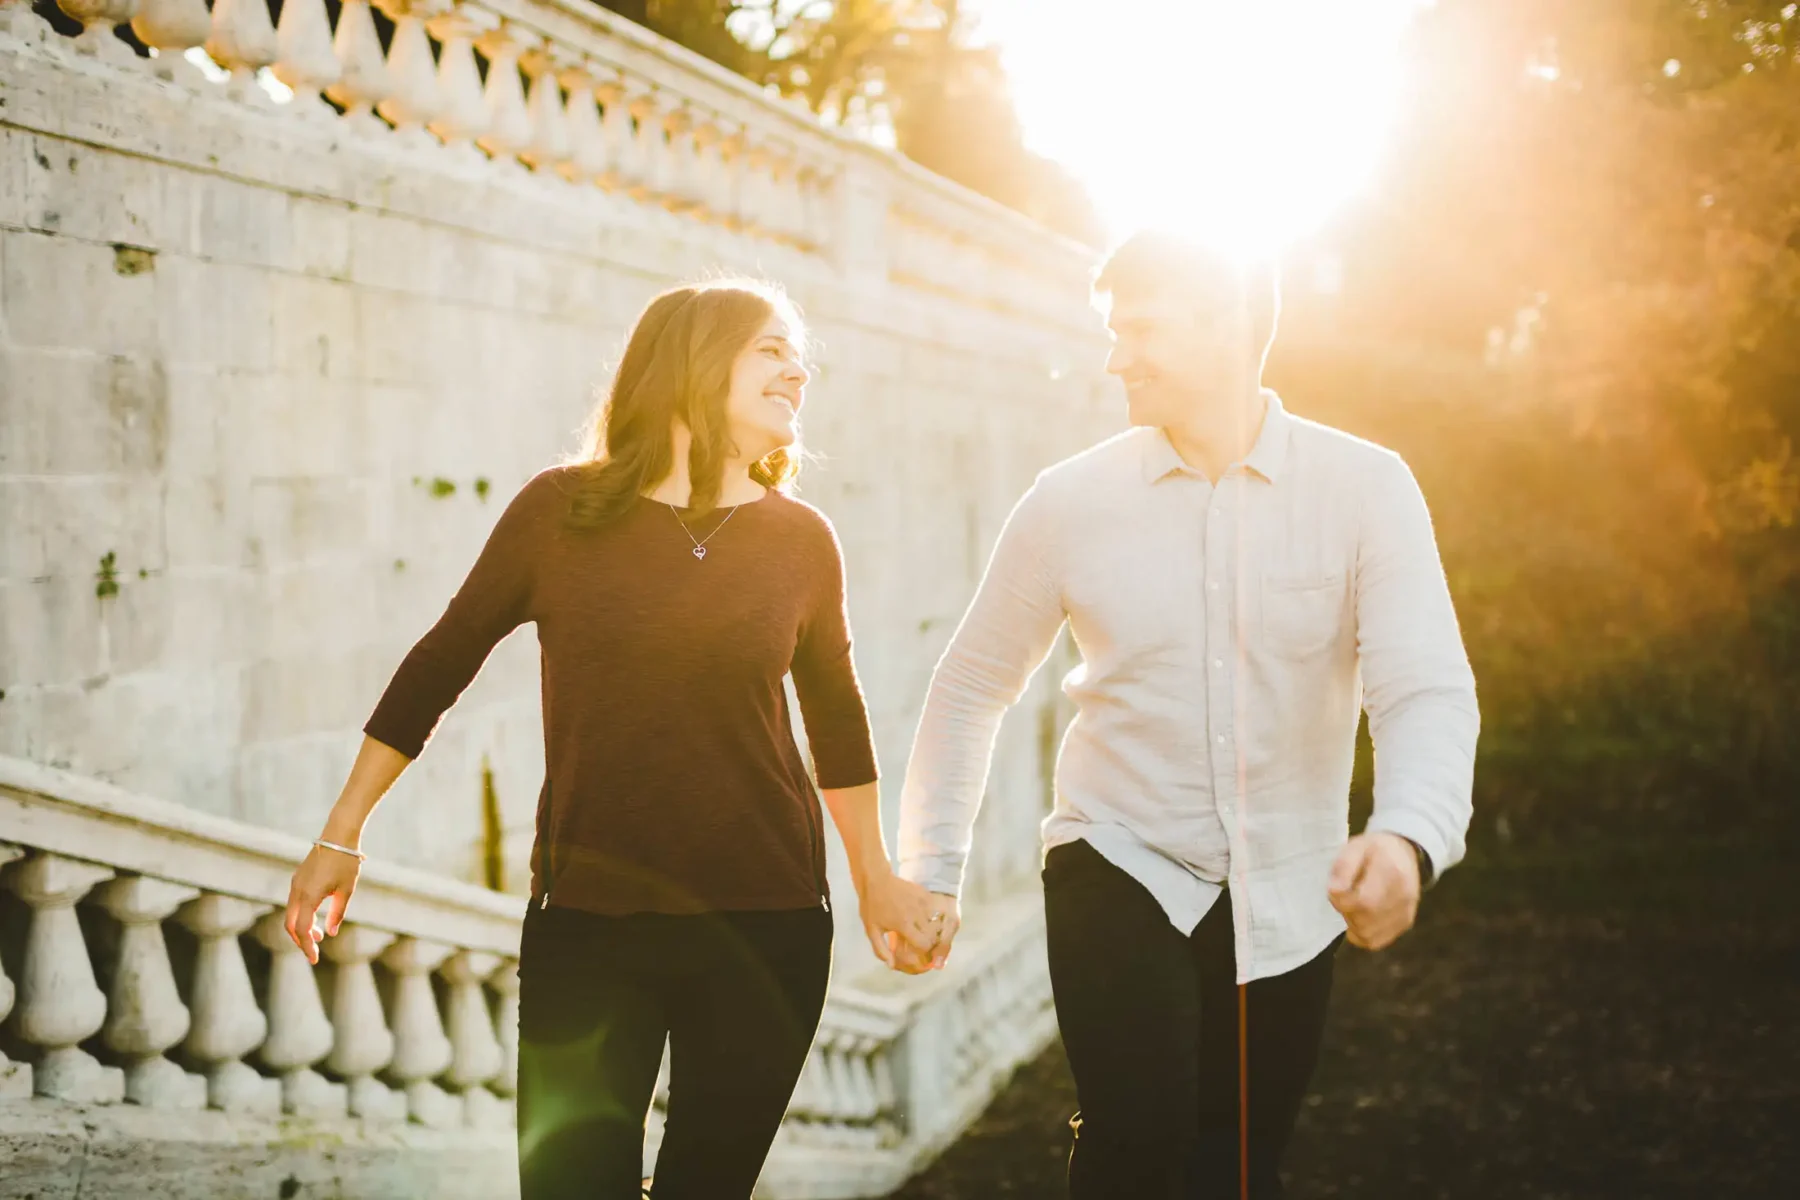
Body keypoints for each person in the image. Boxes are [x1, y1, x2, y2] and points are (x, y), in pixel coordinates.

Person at [283, 279, 944, 1200]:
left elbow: (837, 716)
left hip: (767, 926)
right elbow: (441, 662)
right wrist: (340, 830)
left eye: (801, 354)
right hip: (588, 926)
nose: (799, 368)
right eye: (771, 348)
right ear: (693, 361)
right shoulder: (560, 512)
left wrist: (874, 878)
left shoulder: (801, 541)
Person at [893, 232, 1480, 1198]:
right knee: (1139, 1139)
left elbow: (1423, 686)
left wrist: (1410, 835)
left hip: (1294, 891)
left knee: (1239, 1168)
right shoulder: (1069, 502)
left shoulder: (1367, 488)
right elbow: (970, 686)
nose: (1117, 357)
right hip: (1116, 855)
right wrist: (934, 869)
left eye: (1142, 330)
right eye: (1114, 331)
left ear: (1231, 323)